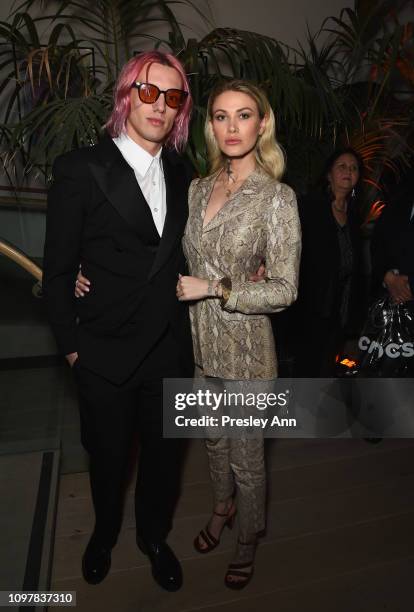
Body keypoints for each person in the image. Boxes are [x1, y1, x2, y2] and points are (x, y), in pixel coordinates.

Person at [42, 51, 194, 592]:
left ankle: (153, 537)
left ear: (181, 111)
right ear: (127, 95)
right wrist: (73, 349)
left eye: (172, 97)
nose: (160, 105)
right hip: (102, 353)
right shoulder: (81, 168)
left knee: (162, 463)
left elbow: (188, 253)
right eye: (149, 92)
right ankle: (103, 534)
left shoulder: (184, 174)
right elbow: (57, 271)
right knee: (107, 461)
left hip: (168, 350)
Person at [175, 79, 301, 589]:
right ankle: (221, 508)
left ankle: (247, 537)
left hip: (248, 353)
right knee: (212, 442)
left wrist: (218, 288)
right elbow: (178, 258)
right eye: (221, 116)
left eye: (243, 115)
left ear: (262, 123)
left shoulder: (277, 197)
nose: (232, 127)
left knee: (248, 458)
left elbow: (286, 288)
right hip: (201, 346)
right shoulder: (198, 187)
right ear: (210, 125)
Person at [289, 147, 366, 377]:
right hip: (312, 306)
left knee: (328, 369)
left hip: (342, 307)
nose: (348, 171)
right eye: (342, 166)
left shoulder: (354, 216)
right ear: (329, 174)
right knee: (307, 369)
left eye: (354, 168)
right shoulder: (310, 207)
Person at [371, 172, 414, 306]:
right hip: (391, 308)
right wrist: (388, 277)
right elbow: (377, 243)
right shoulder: (399, 200)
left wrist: (408, 288)